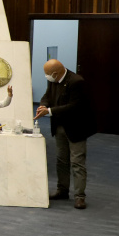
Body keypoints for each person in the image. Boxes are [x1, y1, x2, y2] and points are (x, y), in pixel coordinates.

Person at [35, 59, 94, 209]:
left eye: (47, 74)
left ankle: (80, 196)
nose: (46, 76)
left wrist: (49, 111)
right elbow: (47, 96)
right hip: (59, 126)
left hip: (76, 128)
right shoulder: (53, 80)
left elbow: (75, 106)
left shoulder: (76, 82)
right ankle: (62, 190)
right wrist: (43, 105)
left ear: (55, 73)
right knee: (61, 160)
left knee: (77, 162)